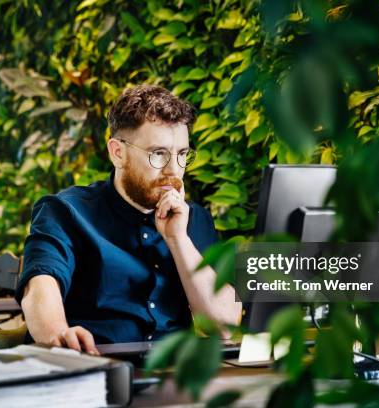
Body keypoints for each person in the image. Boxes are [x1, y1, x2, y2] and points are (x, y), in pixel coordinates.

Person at [16, 84, 242, 354]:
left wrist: (178, 239)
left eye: (182, 155)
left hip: (171, 378)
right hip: (94, 371)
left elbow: (226, 326)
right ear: (117, 153)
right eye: (158, 153)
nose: (174, 170)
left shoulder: (196, 221)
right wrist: (58, 335)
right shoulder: (65, 211)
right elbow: (40, 285)